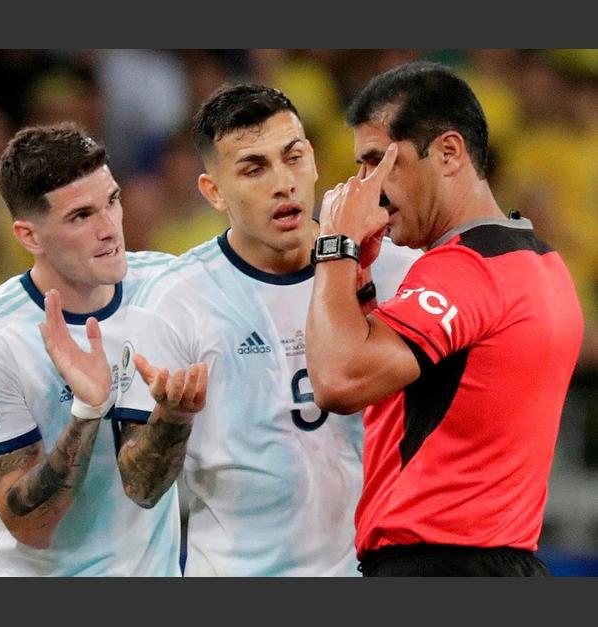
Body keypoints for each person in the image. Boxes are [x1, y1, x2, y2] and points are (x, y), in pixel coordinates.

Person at [305, 61, 584, 576]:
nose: (366, 188)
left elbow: (339, 380)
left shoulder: (466, 270)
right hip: (503, 564)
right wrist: (362, 282)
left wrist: (333, 247)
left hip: (439, 566)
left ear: (449, 153)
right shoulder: (541, 263)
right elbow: (411, 397)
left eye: (377, 163)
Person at [132, 83, 420, 576]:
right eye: (254, 168)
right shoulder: (175, 300)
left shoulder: (397, 272)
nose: (283, 183)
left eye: (293, 157)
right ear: (213, 192)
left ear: (312, 159)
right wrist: (171, 419)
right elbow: (141, 487)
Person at [0, 123, 207, 576]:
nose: (109, 229)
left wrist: (173, 416)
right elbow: (30, 525)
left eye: (113, 201)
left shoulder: (170, 289)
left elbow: (146, 490)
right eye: (81, 216)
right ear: (29, 237)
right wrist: (87, 410)